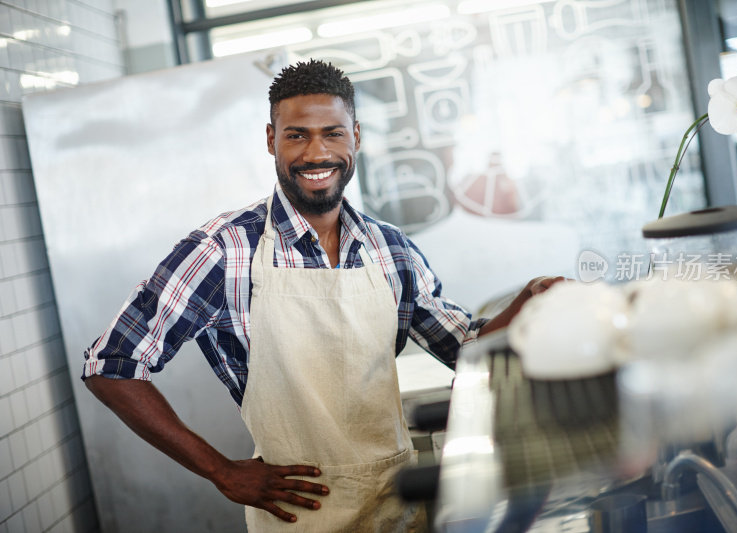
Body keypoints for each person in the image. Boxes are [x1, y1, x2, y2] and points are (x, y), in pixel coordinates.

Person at [83, 59, 564, 532]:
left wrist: (527, 303)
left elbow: (467, 351)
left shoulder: (390, 248)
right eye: (297, 135)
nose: (317, 154)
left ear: (356, 136)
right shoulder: (225, 250)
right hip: (300, 515)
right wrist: (222, 471)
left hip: (400, 506)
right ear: (271, 139)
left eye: (333, 133)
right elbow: (110, 364)